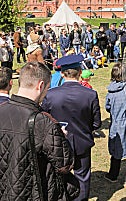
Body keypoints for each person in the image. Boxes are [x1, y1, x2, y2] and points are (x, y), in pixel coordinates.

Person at [0, 62, 76, 200]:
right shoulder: (43, 122)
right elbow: (65, 163)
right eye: (47, 88)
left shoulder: (2, 109)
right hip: (34, 192)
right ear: (40, 86)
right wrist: (62, 137)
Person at [41, 54, 102, 201]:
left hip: (58, 144)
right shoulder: (90, 94)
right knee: (82, 176)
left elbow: (44, 120)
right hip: (81, 141)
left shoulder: (50, 95)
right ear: (80, 72)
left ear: (62, 73)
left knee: (59, 175)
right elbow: (96, 123)